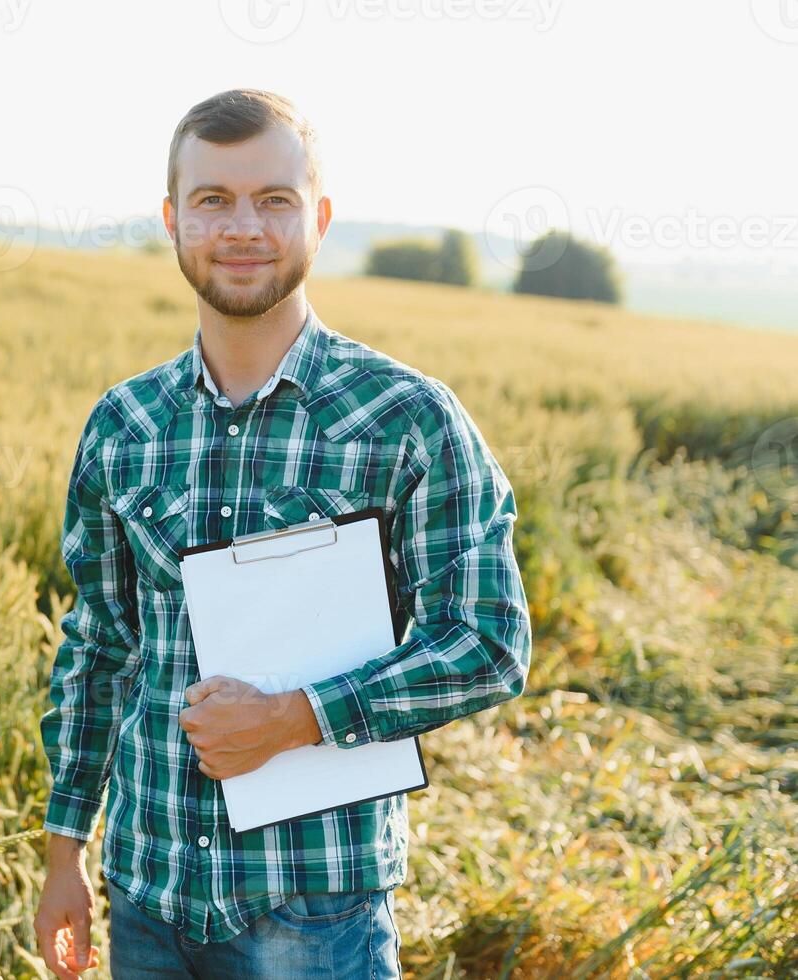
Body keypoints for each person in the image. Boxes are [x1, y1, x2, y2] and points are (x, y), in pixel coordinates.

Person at [33, 88, 533, 979]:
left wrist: (296, 719)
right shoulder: (125, 423)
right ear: (173, 220)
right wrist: (65, 851)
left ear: (321, 218)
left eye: (275, 200)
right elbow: (100, 644)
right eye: (213, 200)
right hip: (145, 898)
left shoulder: (407, 419)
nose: (243, 227)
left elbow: (488, 643)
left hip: (314, 915)